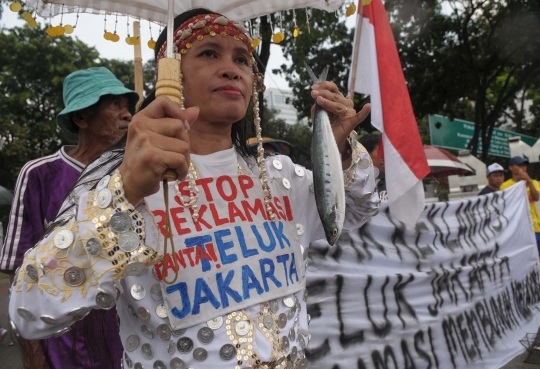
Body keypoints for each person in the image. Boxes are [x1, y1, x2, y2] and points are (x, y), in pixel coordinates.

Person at [9, 8, 379, 369]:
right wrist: (124, 194)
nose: (230, 69)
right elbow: (31, 309)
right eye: (208, 53)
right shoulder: (125, 181)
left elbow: (357, 211)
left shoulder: (281, 176)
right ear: (171, 75)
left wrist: (339, 152)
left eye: (242, 60)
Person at [1, 67, 138, 368]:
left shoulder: (135, 177)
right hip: (63, 348)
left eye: (128, 107)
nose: (127, 114)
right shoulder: (39, 174)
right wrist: (34, 358)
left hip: (130, 343)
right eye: (114, 104)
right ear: (81, 118)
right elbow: (18, 274)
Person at [500, 156, 540, 253]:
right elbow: (510, 203)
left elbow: (536, 197)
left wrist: (529, 181)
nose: (522, 168)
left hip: (534, 226)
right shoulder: (505, 185)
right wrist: (519, 182)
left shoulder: (533, 182)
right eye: (519, 165)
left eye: (524, 165)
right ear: (511, 168)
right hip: (518, 227)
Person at [359, 133, 386, 199]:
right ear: (366, 154)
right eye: (380, 152)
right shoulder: (352, 183)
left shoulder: (391, 184)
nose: (384, 157)